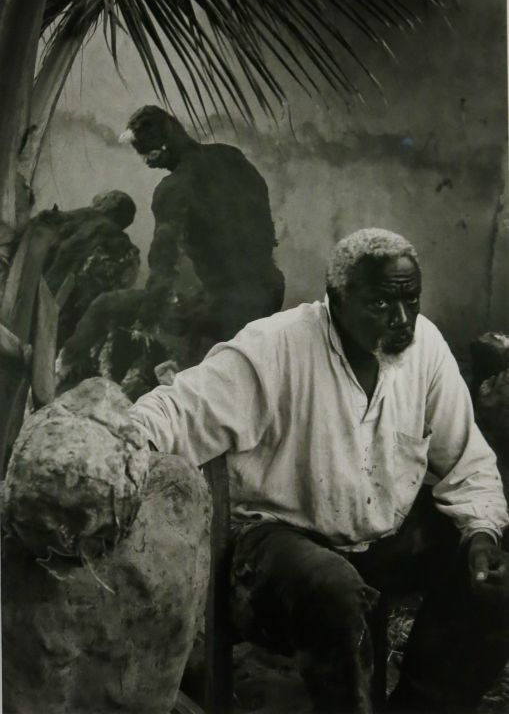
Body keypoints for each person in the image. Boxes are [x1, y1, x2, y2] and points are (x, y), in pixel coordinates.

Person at [130, 227, 509, 714]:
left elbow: (467, 461)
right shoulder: (276, 346)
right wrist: (112, 445)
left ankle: (424, 706)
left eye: (410, 301)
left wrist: (481, 535)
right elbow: (174, 412)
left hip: (378, 537)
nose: (401, 320)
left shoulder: (426, 348)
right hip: (275, 543)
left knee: (491, 577)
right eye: (379, 305)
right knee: (336, 593)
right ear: (336, 298)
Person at [119, 105, 285, 346]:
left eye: (145, 155)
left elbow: (163, 260)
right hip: (270, 290)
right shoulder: (230, 156)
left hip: (228, 308)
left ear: (160, 149)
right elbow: (261, 210)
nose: (146, 163)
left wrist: (147, 319)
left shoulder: (173, 189)